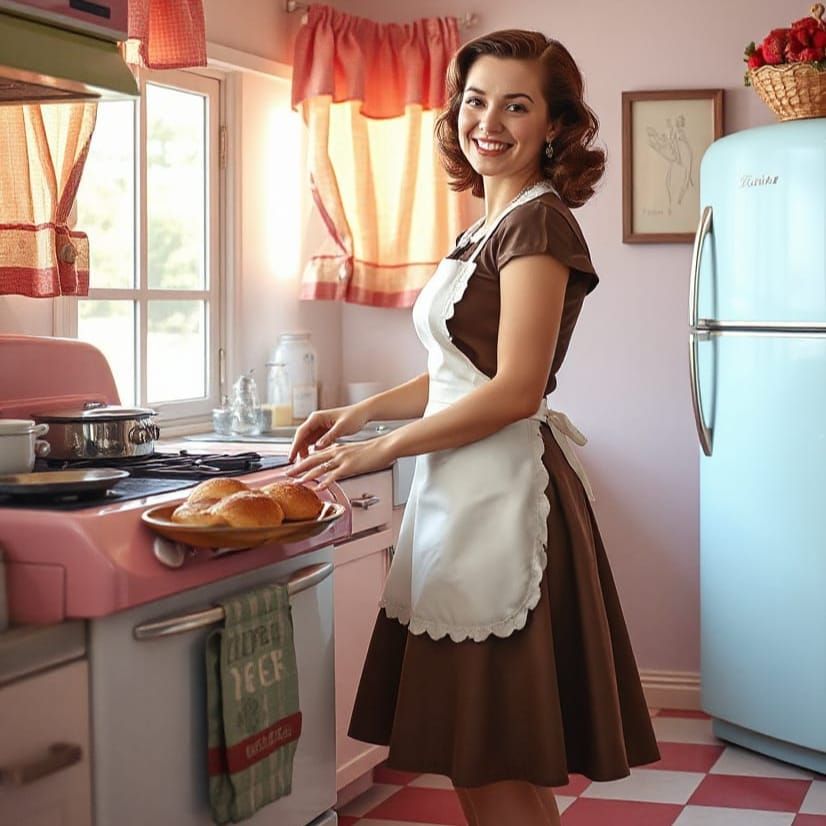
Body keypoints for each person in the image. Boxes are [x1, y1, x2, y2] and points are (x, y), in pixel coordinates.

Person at [287, 28, 660, 826]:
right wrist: (361, 412)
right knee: (476, 761)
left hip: (504, 502)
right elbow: (464, 371)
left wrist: (381, 450)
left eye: (516, 106)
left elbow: (517, 390)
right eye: (476, 101)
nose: (488, 121)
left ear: (555, 125)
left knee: (489, 762)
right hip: (461, 496)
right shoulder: (487, 225)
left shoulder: (538, 225)